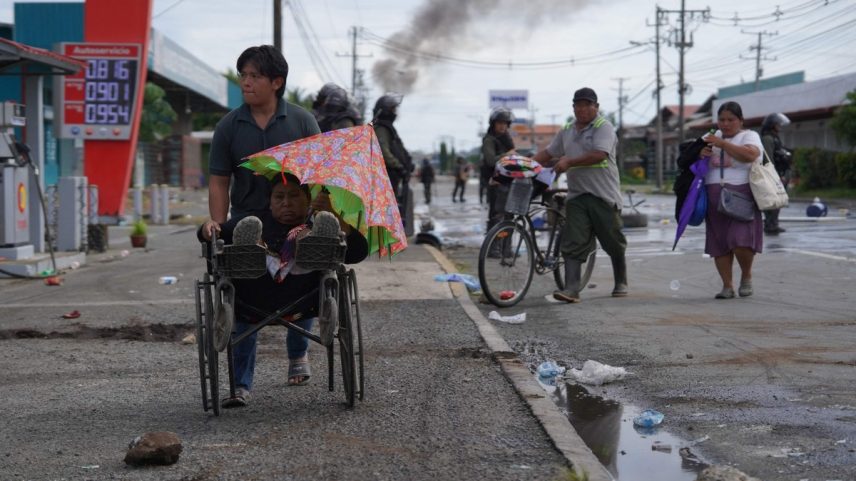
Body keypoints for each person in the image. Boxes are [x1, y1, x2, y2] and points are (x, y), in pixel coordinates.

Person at [199, 174, 369, 408]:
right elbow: (209, 239)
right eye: (279, 197)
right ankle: (253, 248)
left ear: (308, 199)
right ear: (269, 201)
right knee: (246, 238)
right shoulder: (254, 219)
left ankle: (312, 243)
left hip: (305, 297)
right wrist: (207, 227)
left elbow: (358, 252)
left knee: (307, 235)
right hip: (253, 294)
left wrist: (336, 217)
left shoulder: (316, 218)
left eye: (293, 196)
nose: (286, 202)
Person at [207, 45, 320, 231]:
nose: (246, 82)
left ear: (276, 82)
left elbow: (319, 176)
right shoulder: (227, 126)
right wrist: (218, 228)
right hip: (245, 223)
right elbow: (219, 181)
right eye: (243, 75)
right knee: (205, 232)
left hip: (295, 221)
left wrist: (318, 215)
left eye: (255, 76)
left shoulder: (303, 122)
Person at [532, 87, 627, 303]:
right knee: (573, 241)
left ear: (596, 107)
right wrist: (526, 165)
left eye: (587, 104)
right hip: (577, 195)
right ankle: (571, 289)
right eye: (578, 105)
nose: (582, 109)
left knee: (613, 240)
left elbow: (599, 154)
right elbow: (548, 154)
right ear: (573, 107)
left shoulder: (605, 127)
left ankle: (621, 280)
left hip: (603, 195)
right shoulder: (566, 130)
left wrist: (569, 161)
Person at [701, 101, 764, 299]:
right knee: (718, 242)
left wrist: (723, 145)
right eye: (722, 119)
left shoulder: (749, 136)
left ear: (740, 121)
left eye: (731, 120)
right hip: (713, 193)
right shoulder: (710, 137)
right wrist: (700, 153)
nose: (726, 124)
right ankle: (727, 286)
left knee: (740, 240)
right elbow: (689, 160)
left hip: (741, 194)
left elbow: (750, 155)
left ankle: (746, 276)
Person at [372, 93, 413, 198]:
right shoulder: (381, 128)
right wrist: (399, 167)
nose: (395, 113)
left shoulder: (387, 128)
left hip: (391, 175)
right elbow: (383, 151)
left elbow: (398, 148)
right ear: (386, 110)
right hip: (386, 176)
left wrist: (407, 162)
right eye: (393, 109)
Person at [481, 108, 516, 230]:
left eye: (505, 123)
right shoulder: (489, 140)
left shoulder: (506, 139)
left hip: (508, 182)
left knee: (509, 217)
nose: (503, 126)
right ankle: (494, 248)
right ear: (493, 124)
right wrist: (507, 155)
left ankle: (506, 248)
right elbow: (490, 161)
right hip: (495, 183)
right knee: (496, 217)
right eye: (499, 123)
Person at [760, 112, 792, 235]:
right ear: (772, 125)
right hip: (774, 174)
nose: (779, 126)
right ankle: (770, 225)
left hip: (780, 172)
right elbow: (768, 159)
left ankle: (774, 224)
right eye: (777, 124)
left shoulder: (774, 137)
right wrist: (774, 176)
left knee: (778, 201)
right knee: (772, 201)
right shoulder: (767, 138)